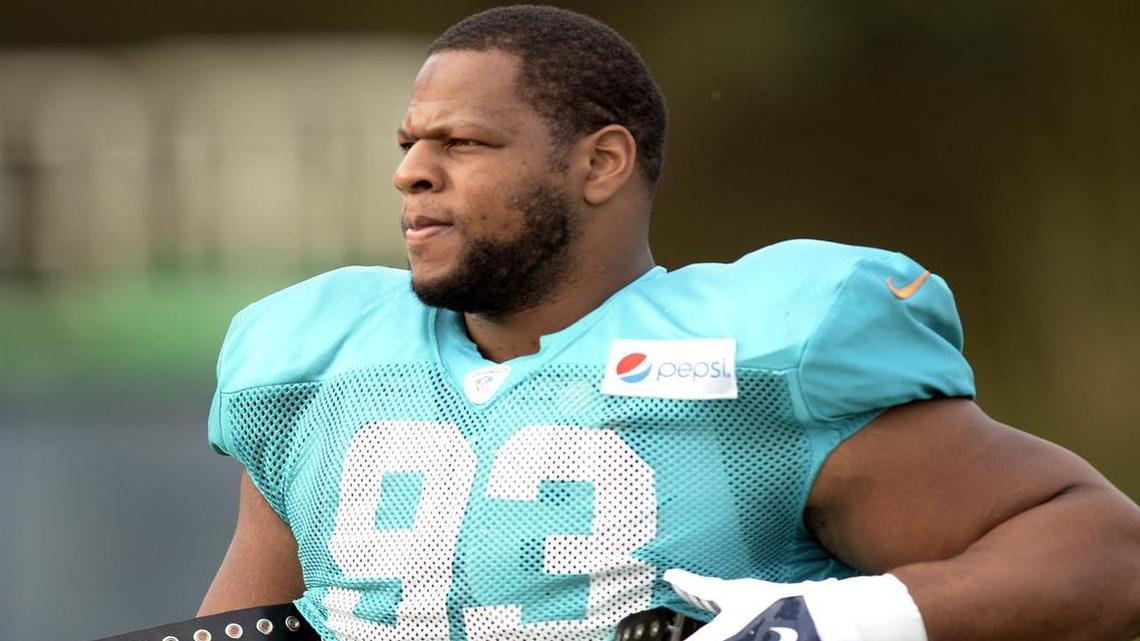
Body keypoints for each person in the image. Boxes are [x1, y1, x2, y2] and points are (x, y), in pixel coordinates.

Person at [198, 6, 1140, 641]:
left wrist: (831, 622)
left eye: (464, 144)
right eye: (410, 144)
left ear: (601, 163)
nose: (412, 171)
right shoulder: (317, 366)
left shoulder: (764, 357)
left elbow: (1103, 550)